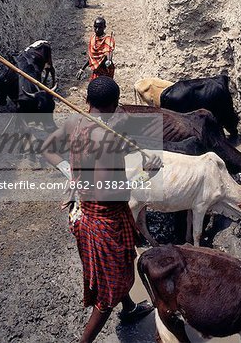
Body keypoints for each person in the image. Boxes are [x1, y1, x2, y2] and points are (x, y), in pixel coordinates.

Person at [41, 77, 161, 343]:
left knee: (117, 266)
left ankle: (128, 308)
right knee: (110, 290)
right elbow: (111, 193)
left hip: (81, 212)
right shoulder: (106, 140)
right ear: (115, 105)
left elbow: (47, 148)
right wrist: (147, 173)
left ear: (87, 101)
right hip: (103, 222)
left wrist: (71, 173)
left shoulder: (74, 121)